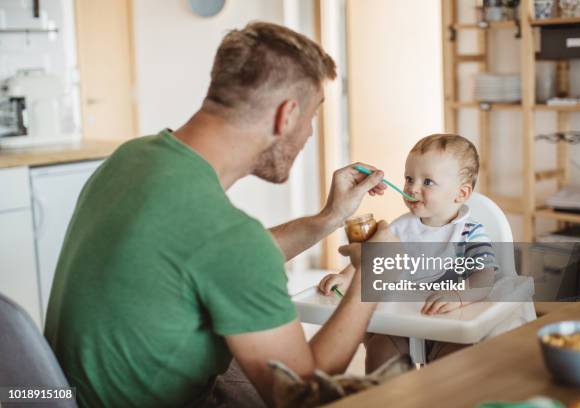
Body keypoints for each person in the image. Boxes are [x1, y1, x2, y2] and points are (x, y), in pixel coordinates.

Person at [44, 22, 395, 407]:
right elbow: (303, 394)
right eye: (312, 116)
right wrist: (374, 273)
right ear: (287, 115)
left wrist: (329, 217)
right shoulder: (228, 239)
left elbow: (212, 259)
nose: (310, 134)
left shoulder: (131, 157)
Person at [319, 134, 503, 371]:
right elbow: (371, 260)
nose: (412, 188)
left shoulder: (469, 233)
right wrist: (345, 277)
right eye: (409, 178)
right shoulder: (399, 228)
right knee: (380, 349)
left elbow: (484, 278)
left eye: (427, 182)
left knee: (456, 362)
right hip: (401, 323)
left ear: (461, 194)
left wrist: (459, 296)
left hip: (447, 326)